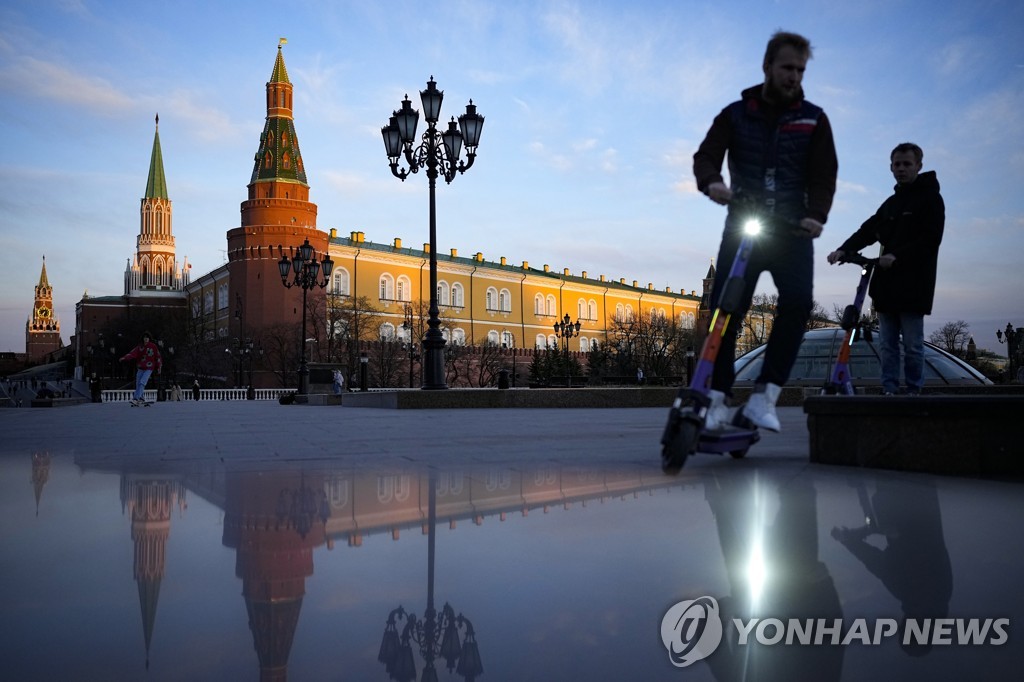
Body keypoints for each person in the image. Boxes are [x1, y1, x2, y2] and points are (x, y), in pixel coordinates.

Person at [693, 31, 838, 431]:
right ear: (767, 67)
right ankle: (718, 397)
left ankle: (765, 396)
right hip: (744, 226)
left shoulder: (813, 119)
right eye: (787, 67)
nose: (794, 76)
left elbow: (824, 174)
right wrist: (712, 182)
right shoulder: (736, 114)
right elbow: (706, 155)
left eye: (800, 69)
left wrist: (816, 214)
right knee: (726, 310)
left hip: (793, 231)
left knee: (796, 306)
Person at [827, 142, 944, 395]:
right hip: (887, 286)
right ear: (891, 167)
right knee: (888, 345)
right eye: (896, 164)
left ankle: (914, 391)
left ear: (918, 166)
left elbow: (930, 239)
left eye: (907, 164)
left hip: (914, 285)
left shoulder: (930, 199)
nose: (901, 169)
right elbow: (868, 230)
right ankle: (889, 390)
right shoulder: (891, 203)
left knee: (912, 344)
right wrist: (843, 250)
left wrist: (896, 255)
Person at [119, 332, 163, 406]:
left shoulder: (153, 346)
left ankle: (136, 398)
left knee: (142, 382)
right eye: (145, 338)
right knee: (138, 383)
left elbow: (158, 357)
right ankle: (141, 398)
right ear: (143, 339)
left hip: (149, 368)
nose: (146, 339)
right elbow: (132, 354)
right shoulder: (140, 347)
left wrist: (159, 367)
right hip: (140, 368)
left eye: (147, 338)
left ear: (149, 339)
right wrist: (124, 358)